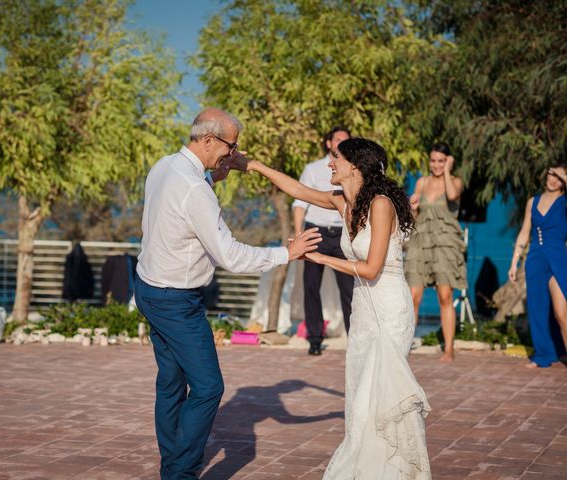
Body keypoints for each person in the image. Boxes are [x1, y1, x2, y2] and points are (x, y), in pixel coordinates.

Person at [134, 108, 322, 480]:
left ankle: (171, 468)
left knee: (171, 384)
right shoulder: (195, 190)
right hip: (176, 300)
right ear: (208, 141)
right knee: (208, 387)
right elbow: (231, 256)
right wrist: (287, 253)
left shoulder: (165, 166)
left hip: (149, 288)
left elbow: (180, 207)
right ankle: (180, 473)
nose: (233, 155)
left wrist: (212, 177)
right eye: (231, 147)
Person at [243, 138, 431, 479]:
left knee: (379, 395)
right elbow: (297, 189)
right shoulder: (345, 202)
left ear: (355, 166)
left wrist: (319, 257)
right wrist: (255, 166)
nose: (330, 164)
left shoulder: (381, 204)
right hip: (363, 308)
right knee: (360, 393)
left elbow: (373, 268)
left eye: (336, 159)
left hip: (389, 307)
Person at [293, 126, 355, 355]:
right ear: (328, 143)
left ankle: (355, 338)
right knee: (311, 286)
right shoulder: (313, 169)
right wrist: (300, 233)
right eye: (337, 140)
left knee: (349, 288)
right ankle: (315, 339)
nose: (340, 143)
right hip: (315, 231)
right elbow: (299, 202)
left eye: (345, 141)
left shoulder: (352, 169)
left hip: (341, 234)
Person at [404, 142, 466, 363]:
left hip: (445, 244)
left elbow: (451, 196)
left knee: (445, 296)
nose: (437, 165)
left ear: (448, 161)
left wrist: (448, 170)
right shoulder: (421, 182)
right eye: (434, 160)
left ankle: (449, 349)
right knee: (413, 297)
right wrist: (412, 208)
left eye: (441, 160)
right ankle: (404, 345)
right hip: (420, 241)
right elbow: (413, 218)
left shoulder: (455, 181)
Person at [508, 163, 567, 368]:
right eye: (551, 174)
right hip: (535, 258)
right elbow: (525, 232)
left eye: (559, 177)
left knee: (561, 313)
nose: (553, 179)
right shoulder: (532, 202)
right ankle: (544, 354)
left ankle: (563, 350)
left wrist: (565, 177)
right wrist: (514, 262)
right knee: (538, 308)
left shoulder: (564, 202)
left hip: (559, 257)